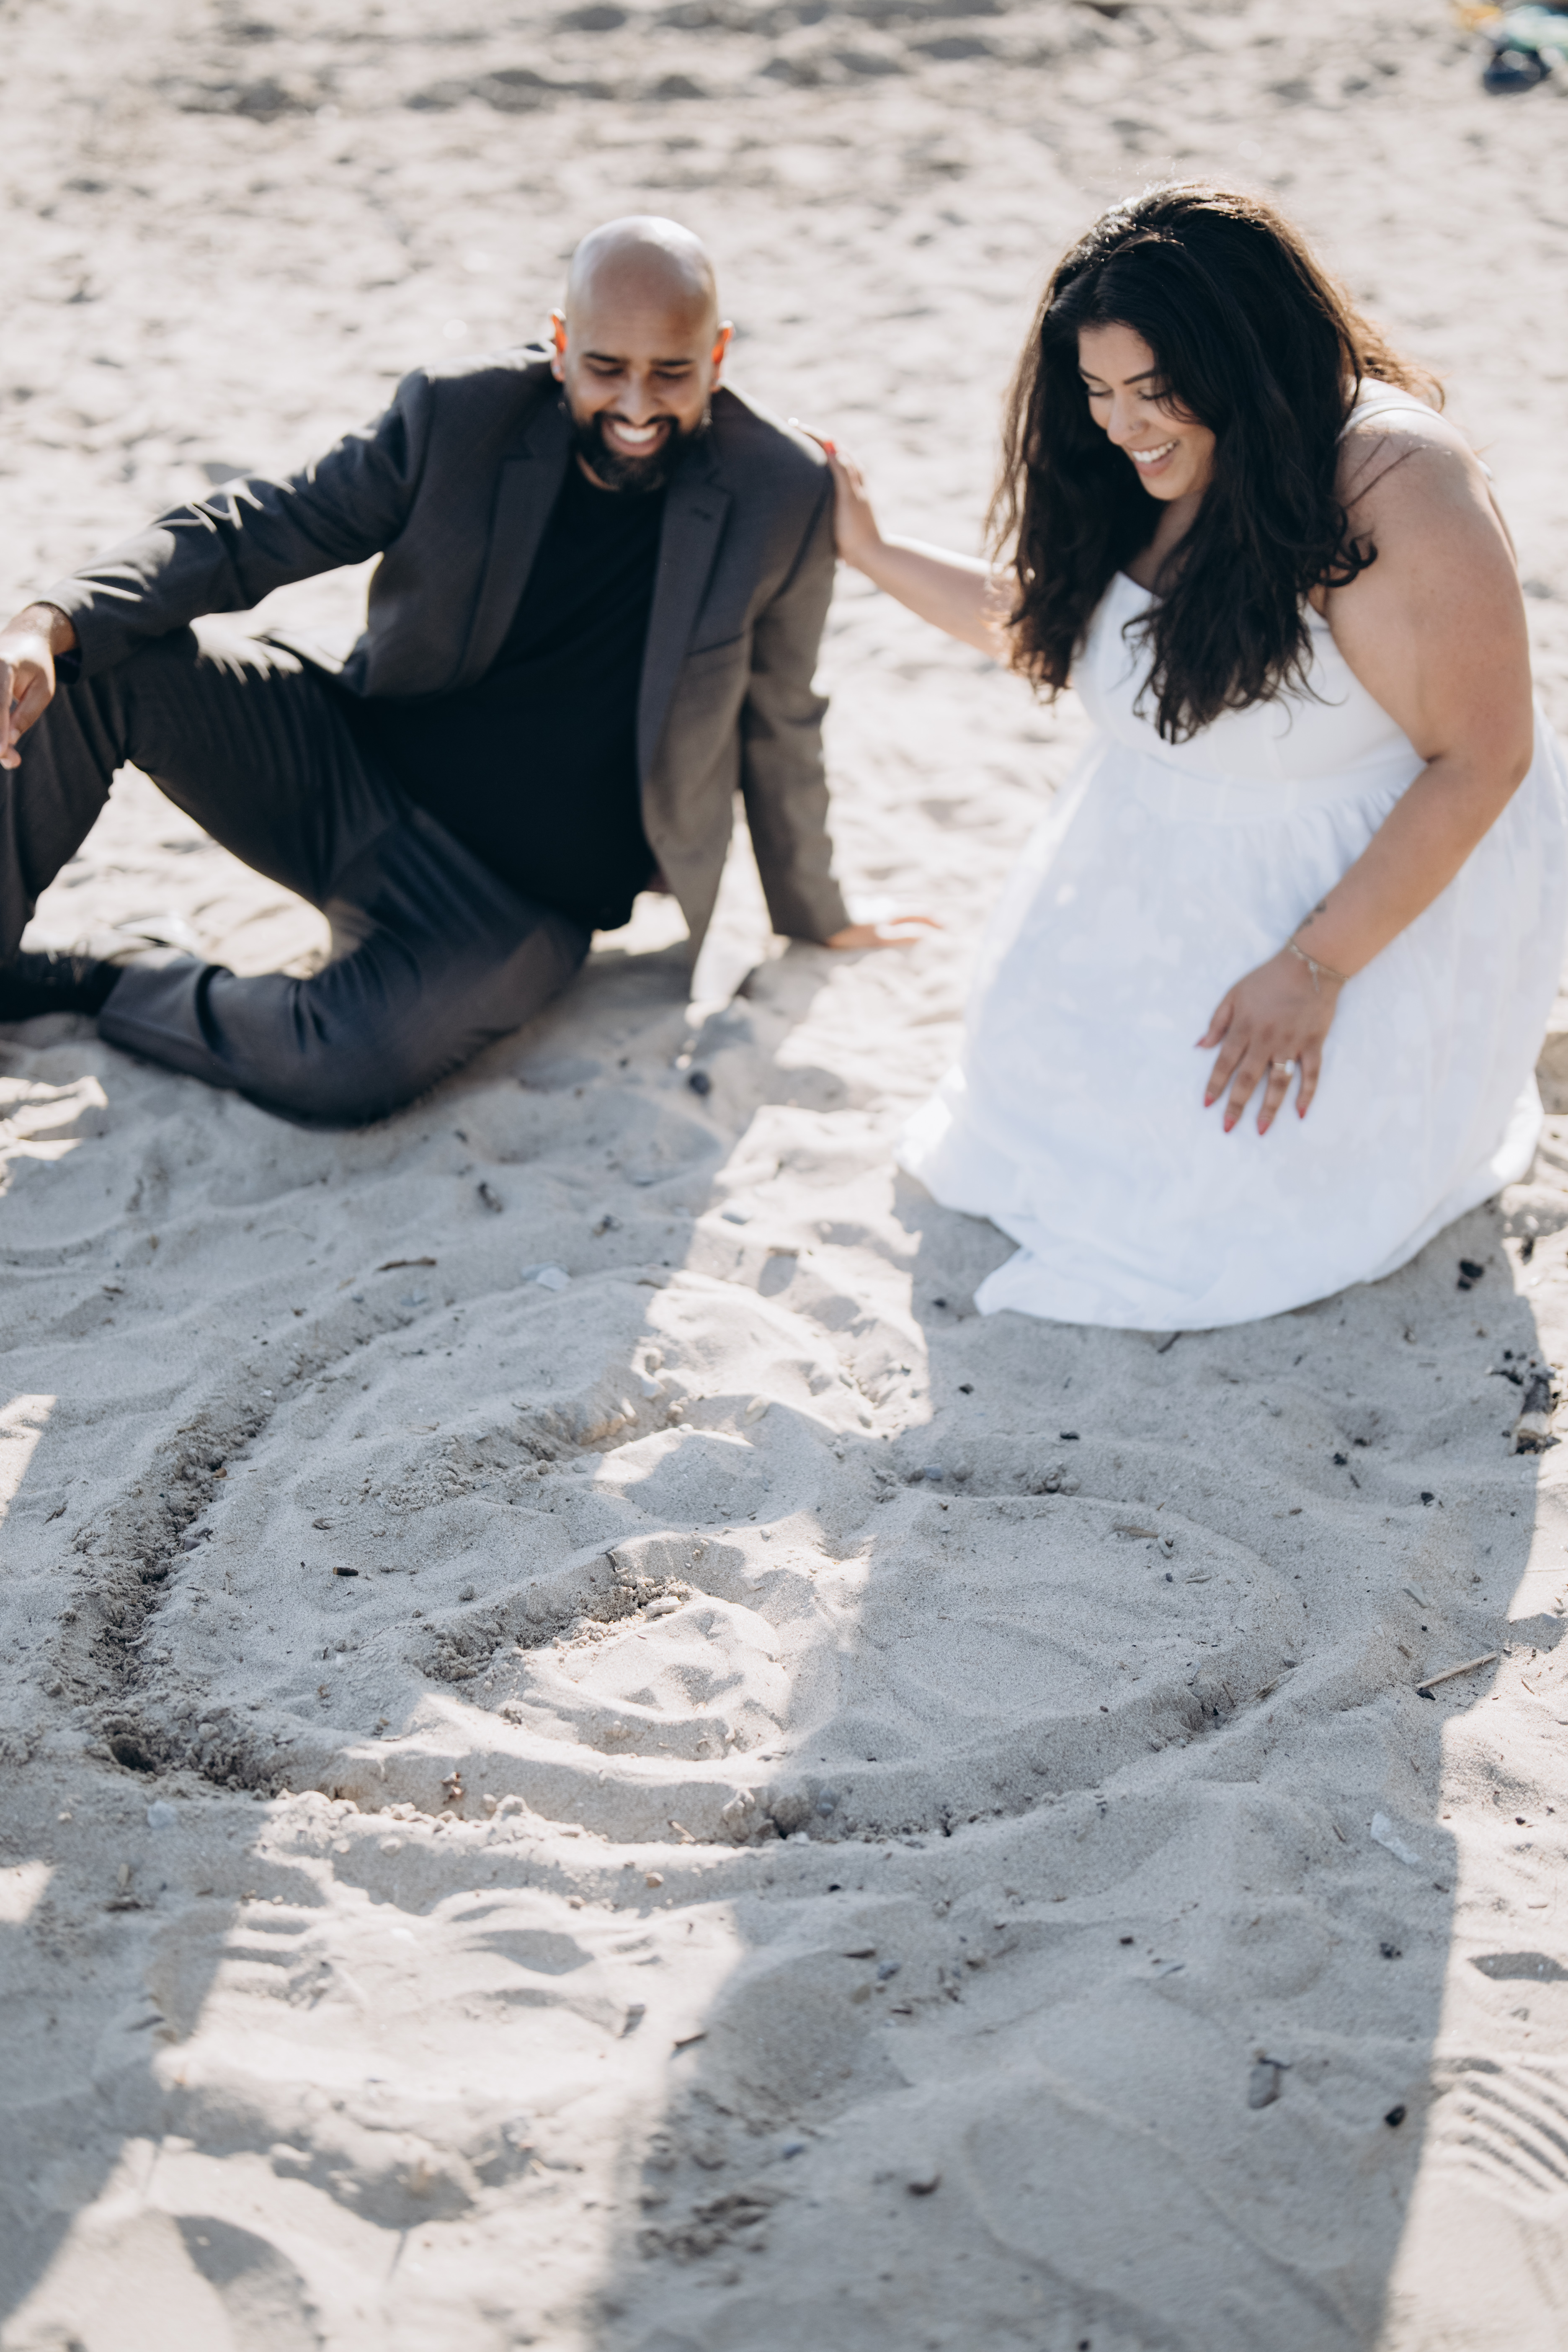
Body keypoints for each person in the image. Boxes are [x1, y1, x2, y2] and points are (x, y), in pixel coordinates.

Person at [819, 183, 1568, 1330]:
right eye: (1099, 391)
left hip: (1359, 903)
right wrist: (871, 552)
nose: (1123, 427)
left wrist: (1313, 971)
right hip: (1167, 879)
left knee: (1217, 1222)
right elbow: (1071, 632)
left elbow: (1484, 758)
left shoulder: (1389, 477)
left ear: (1244, 358)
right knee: (1041, 1148)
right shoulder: (1150, 467)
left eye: (1155, 389)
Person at [0, 216, 910, 1126]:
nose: (638, 405)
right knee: (89, 661)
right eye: (606, 367)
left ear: (717, 354)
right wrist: (50, 621)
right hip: (344, 771)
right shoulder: (460, 415)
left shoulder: (783, 493)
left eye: (672, 372)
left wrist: (815, 912)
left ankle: (113, 975)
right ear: (560, 345)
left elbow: (783, 715)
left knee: (343, 1067)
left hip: (509, 904)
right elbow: (260, 527)